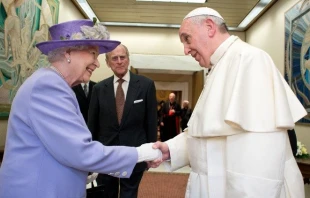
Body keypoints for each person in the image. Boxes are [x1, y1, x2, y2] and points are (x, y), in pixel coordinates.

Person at [149, 7, 307, 198]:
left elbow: (259, 164)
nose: (185, 50)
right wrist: (171, 149)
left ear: (209, 27)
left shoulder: (249, 60)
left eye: (187, 39)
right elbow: (209, 137)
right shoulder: (219, 65)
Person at [0, 19, 161, 198]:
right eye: (93, 53)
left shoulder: (56, 84)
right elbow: (80, 151)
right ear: (69, 52)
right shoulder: (47, 86)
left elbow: (61, 149)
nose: (97, 63)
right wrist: (142, 153)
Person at [88, 44, 158, 198]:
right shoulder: (99, 89)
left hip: (135, 154)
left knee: (129, 195)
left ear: (128, 59)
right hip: (106, 155)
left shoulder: (146, 85)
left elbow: (151, 122)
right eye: (114, 58)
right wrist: (91, 154)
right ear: (108, 63)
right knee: (107, 194)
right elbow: (92, 125)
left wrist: (151, 153)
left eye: (122, 57)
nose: (119, 61)